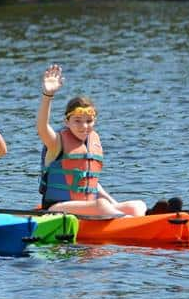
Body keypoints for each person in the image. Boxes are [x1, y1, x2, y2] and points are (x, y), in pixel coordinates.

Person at [36, 63, 147, 217]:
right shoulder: (56, 142)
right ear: (67, 122)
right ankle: (127, 222)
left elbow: (91, 182)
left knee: (138, 205)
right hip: (56, 209)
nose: (84, 126)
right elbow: (42, 127)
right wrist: (47, 96)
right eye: (77, 121)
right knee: (101, 205)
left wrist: (114, 204)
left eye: (89, 121)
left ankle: (135, 218)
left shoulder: (93, 141)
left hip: (90, 207)